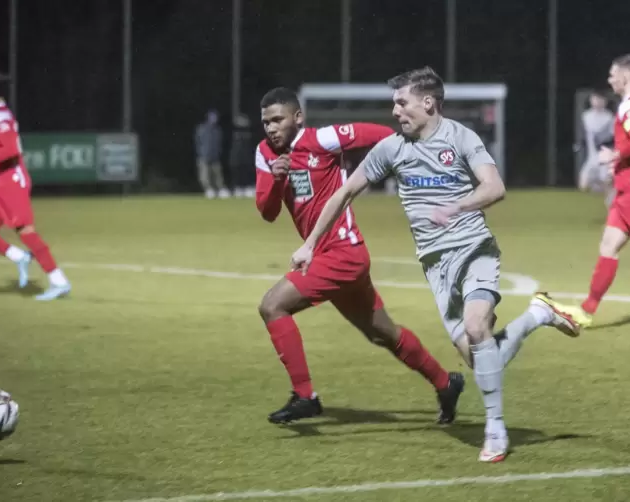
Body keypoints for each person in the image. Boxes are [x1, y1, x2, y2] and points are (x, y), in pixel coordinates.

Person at [290, 67, 580, 462]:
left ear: (427, 103)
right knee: (480, 360)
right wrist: (309, 244)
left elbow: (495, 187)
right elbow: (343, 194)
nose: (395, 111)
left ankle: (496, 431)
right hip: (436, 266)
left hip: (474, 248)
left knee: (478, 327)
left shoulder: (461, 137)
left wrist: (458, 206)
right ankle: (536, 315)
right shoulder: (392, 149)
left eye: (401, 102)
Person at [255, 87, 465, 426]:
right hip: (330, 258)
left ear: (297, 118)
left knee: (272, 305)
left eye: (277, 120)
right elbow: (266, 212)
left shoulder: (321, 140)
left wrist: (413, 145)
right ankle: (446, 383)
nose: (271, 128)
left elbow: (374, 134)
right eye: (266, 122)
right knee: (383, 333)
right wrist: (278, 181)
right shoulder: (265, 153)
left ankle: (305, 396)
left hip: (342, 254)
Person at [0, 69, 71, 301]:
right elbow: (1, 153)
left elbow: (11, 150)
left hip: (11, 183)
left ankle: (59, 281)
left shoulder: (1, 116)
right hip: (1, 182)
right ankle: (19, 257)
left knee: (26, 232)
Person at [553, 54, 630, 328]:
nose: (609, 79)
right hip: (625, 192)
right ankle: (585, 311)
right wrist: (619, 161)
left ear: (625, 76)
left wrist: (615, 153)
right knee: (608, 246)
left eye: (612, 74)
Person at [578, 91, 616, 207]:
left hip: (603, 157)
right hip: (592, 157)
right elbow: (586, 135)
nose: (597, 102)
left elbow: (611, 137)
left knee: (606, 181)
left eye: (600, 99)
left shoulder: (609, 117)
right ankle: (608, 193)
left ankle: (611, 201)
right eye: (595, 99)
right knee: (583, 185)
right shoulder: (586, 116)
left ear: (605, 102)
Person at [194, 110, 229, 199]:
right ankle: (209, 190)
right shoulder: (201, 129)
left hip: (215, 156)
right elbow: (198, 142)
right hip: (204, 156)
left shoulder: (218, 130)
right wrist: (200, 153)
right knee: (204, 175)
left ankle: (221, 189)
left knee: (218, 175)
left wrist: (218, 152)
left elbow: (219, 143)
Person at [229, 113, 256, 197]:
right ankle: (238, 188)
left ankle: (246, 188)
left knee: (246, 173)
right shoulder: (234, 133)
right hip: (237, 158)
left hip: (246, 158)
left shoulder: (249, 133)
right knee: (238, 174)